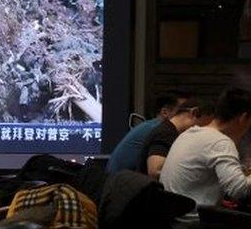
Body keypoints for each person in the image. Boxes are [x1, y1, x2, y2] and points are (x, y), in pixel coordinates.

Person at [160, 87, 251, 216]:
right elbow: (238, 191)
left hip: (170, 218)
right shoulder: (220, 142)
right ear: (243, 118)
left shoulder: (190, 133)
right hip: (193, 225)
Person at [107, 90, 191, 173]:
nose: (189, 116)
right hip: (124, 182)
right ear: (165, 112)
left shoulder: (151, 125)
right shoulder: (161, 131)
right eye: (181, 111)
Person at [142, 99, 214, 179]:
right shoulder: (165, 133)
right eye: (205, 125)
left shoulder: (170, 131)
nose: (204, 130)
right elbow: (155, 171)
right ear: (194, 113)